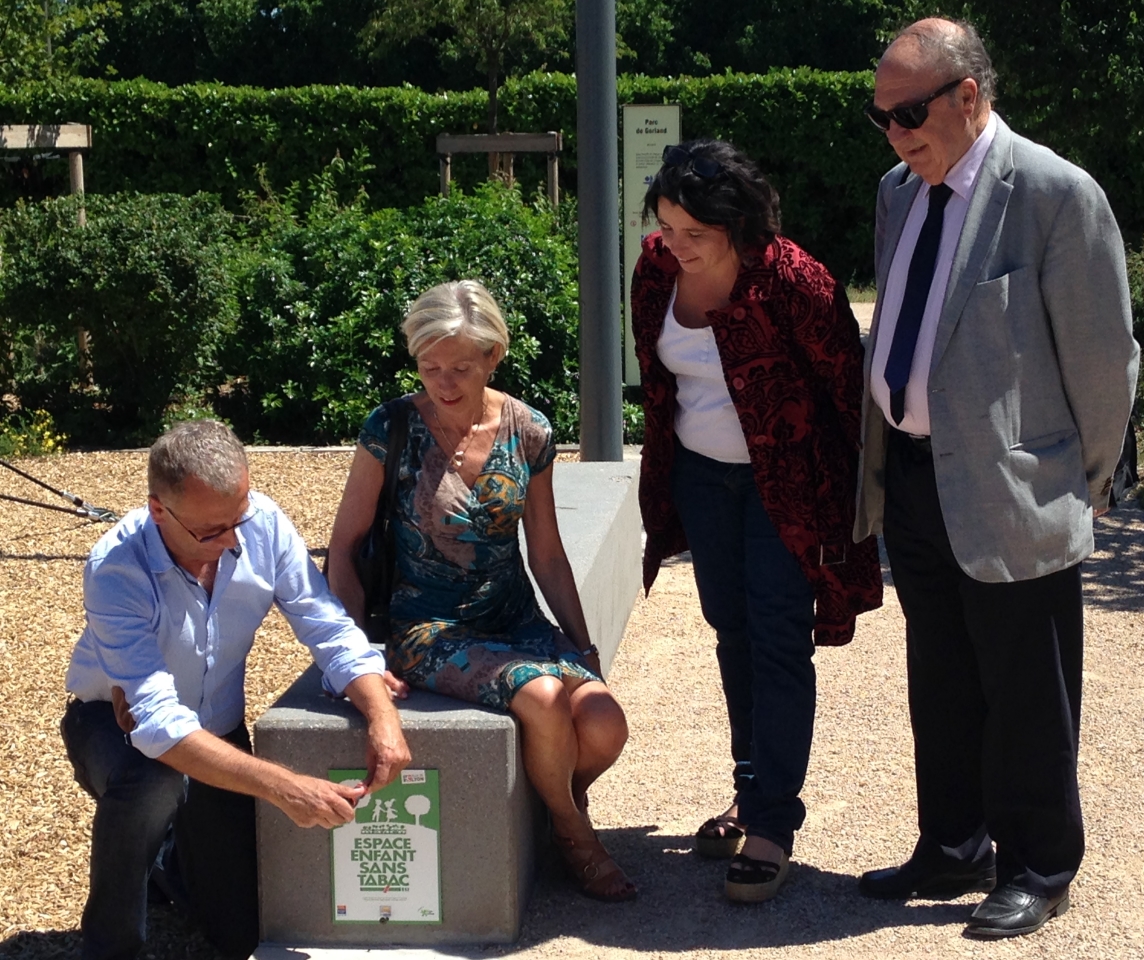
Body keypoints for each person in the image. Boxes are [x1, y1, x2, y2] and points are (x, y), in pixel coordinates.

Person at [853, 19, 1140, 938]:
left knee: (1028, 687)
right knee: (939, 677)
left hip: (1017, 485)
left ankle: (1041, 864)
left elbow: (1103, 362)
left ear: (967, 96)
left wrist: (1079, 482)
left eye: (908, 114)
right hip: (914, 474)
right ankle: (953, 843)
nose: (895, 134)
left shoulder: (1056, 193)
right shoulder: (900, 192)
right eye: (882, 117)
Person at [327, 280, 636, 902]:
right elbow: (344, 547)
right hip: (429, 629)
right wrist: (353, 658)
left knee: (603, 721)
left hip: (513, 618)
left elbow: (546, 553)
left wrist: (583, 642)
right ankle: (575, 835)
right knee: (545, 696)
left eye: (461, 367)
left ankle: (553, 803)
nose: (443, 382)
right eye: (429, 366)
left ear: (494, 356)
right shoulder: (390, 427)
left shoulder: (529, 429)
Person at [632, 139, 883, 902]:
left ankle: (773, 821)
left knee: (777, 637)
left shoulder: (795, 281)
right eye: (666, 227)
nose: (673, 246)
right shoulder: (654, 267)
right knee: (729, 625)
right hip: (704, 479)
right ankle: (747, 789)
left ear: (738, 228)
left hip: (789, 485)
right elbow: (658, 373)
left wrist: (855, 516)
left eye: (692, 235)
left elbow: (848, 395)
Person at [62, 419, 412, 960]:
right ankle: (112, 946)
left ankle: (170, 862)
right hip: (111, 730)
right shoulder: (116, 567)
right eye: (210, 531)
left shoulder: (262, 523)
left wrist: (381, 715)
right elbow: (154, 723)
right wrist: (283, 786)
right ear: (159, 511)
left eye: (237, 520)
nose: (231, 542)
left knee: (240, 929)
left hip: (216, 730)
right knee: (151, 783)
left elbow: (327, 626)